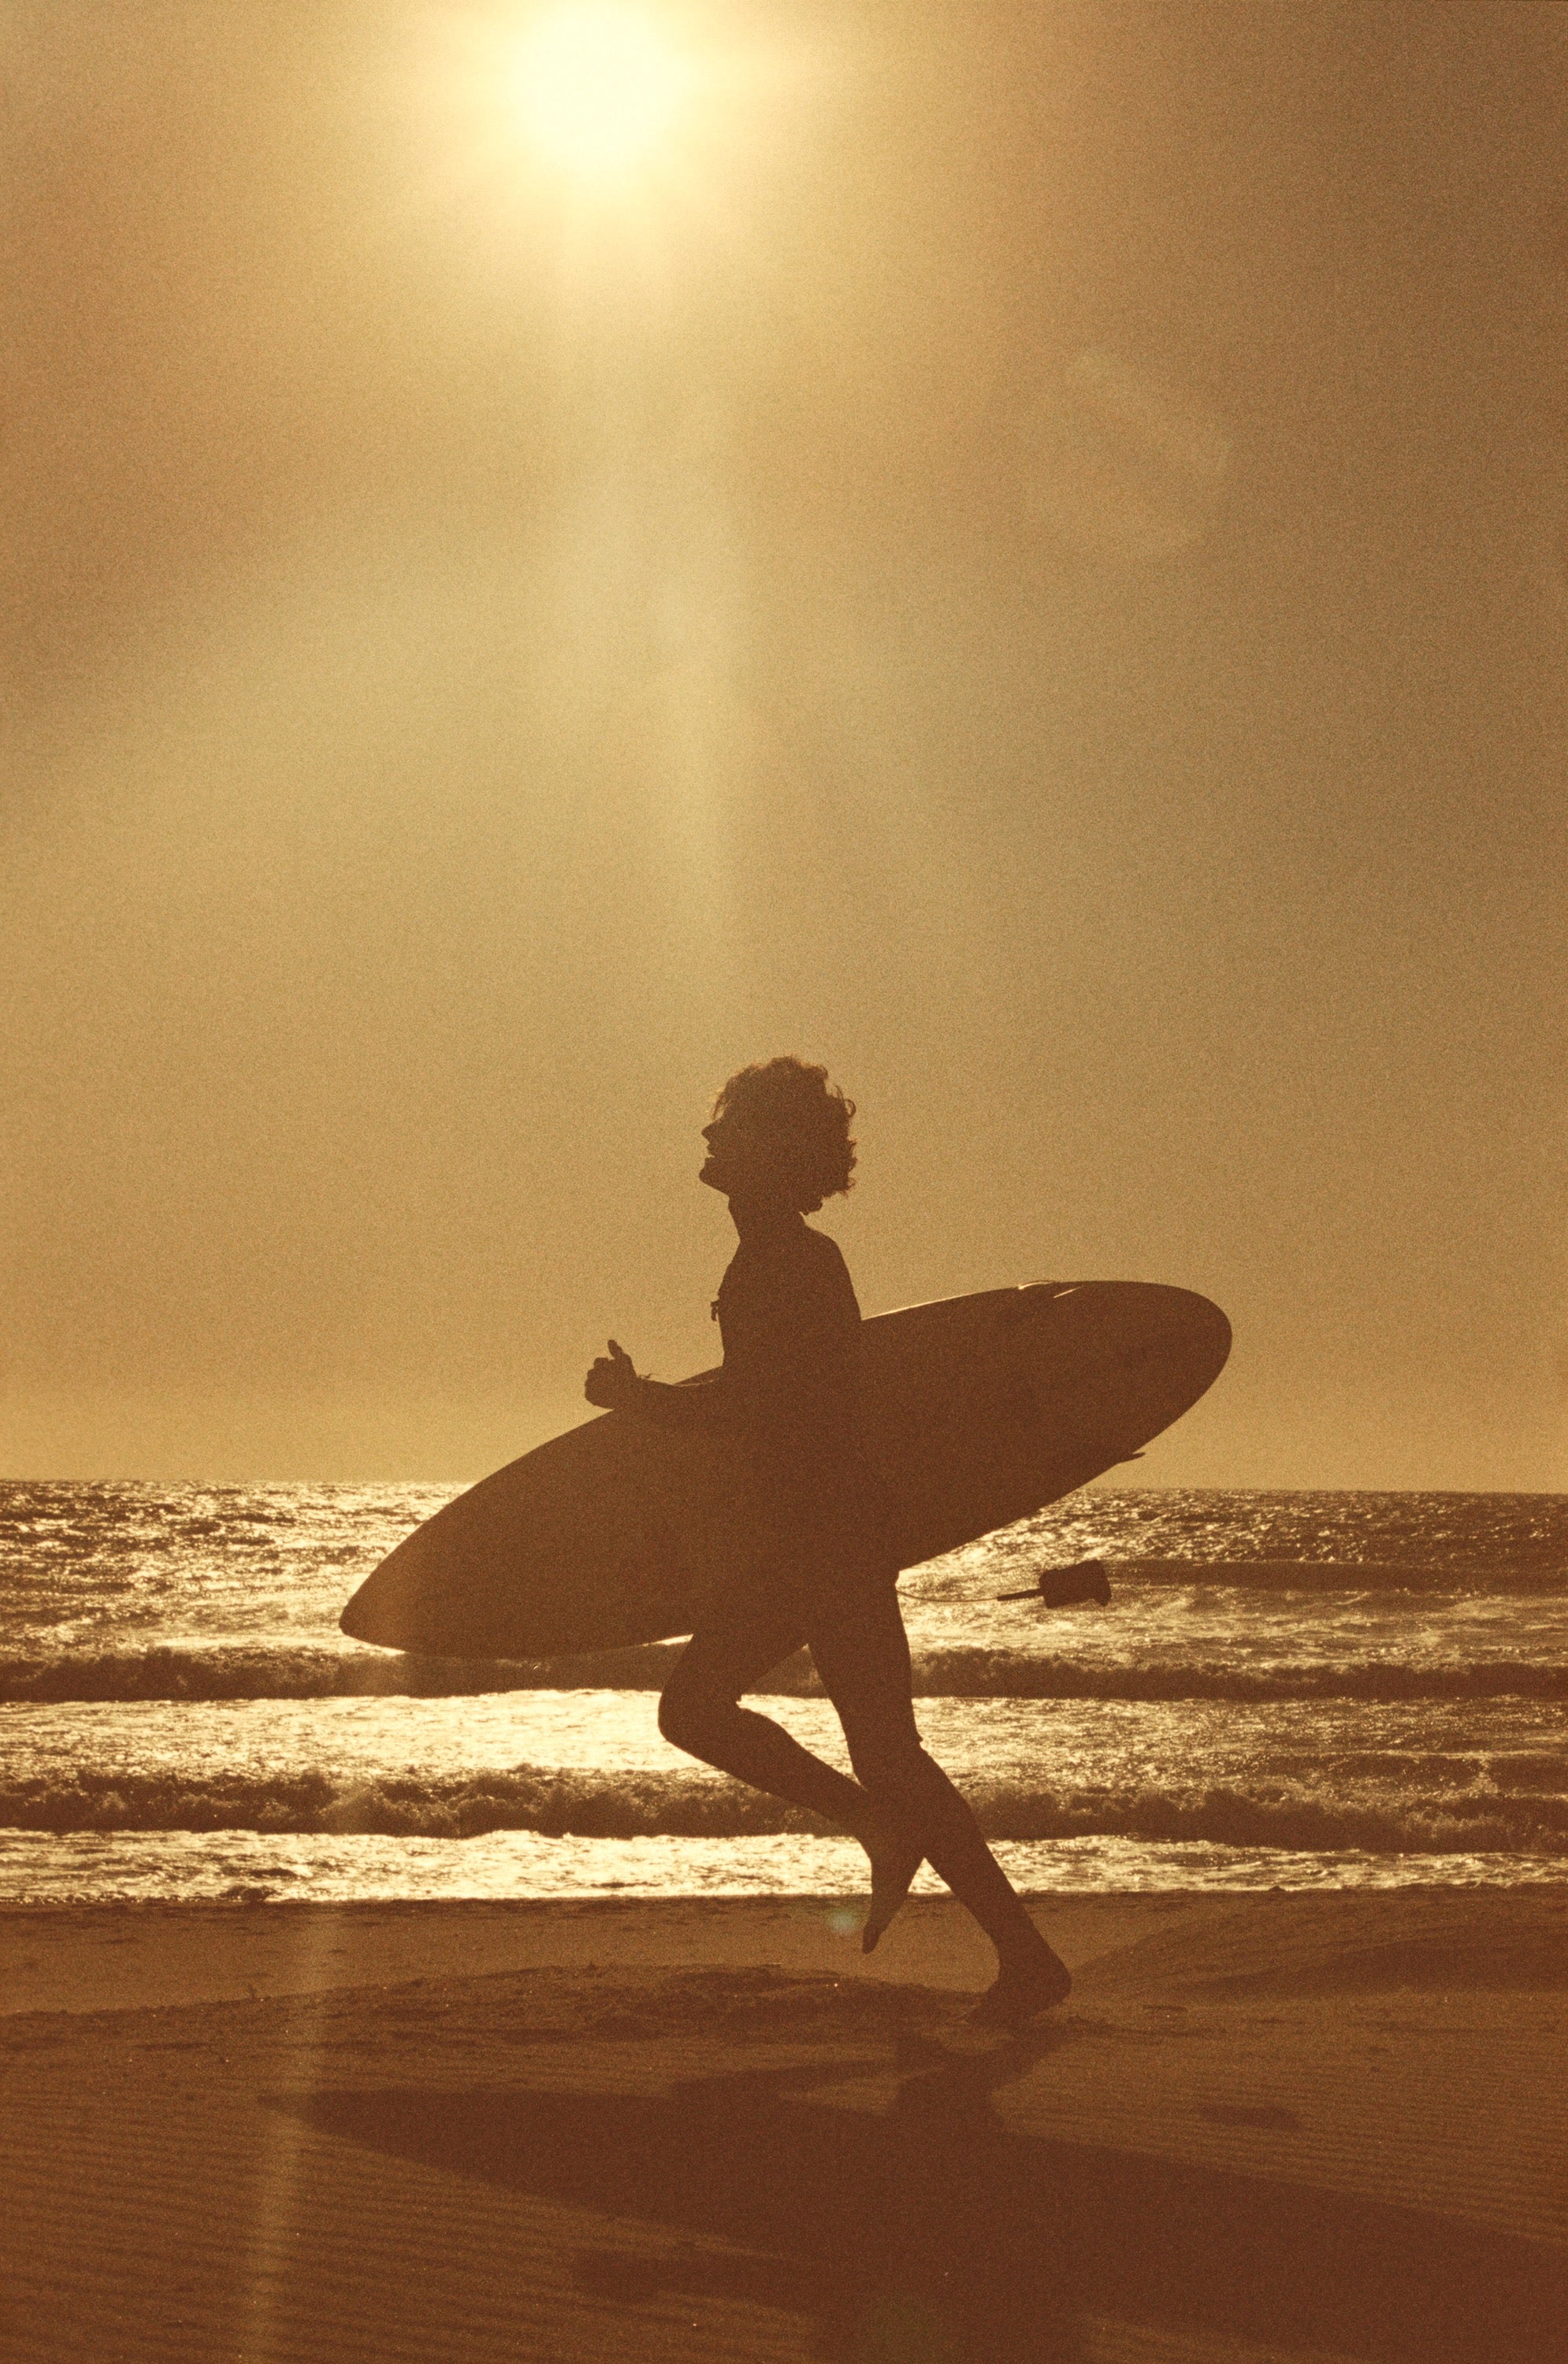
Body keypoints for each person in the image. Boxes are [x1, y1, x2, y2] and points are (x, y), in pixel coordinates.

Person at [584, 1056, 1071, 2024]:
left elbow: (773, 1409)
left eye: (731, 1129)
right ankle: (1022, 1955)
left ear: (774, 1153)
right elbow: (768, 1399)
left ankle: (883, 1834)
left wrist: (643, 1404)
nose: (711, 1142)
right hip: (832, 1533)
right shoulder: (775, 1257)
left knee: (695, 1711)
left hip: (816, 1538)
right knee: (887, 1750)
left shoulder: (790, 1262)